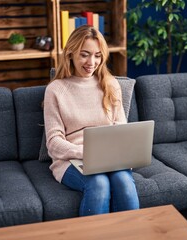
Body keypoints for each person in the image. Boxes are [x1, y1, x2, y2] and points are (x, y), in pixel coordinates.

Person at [43, 25, 139, 216]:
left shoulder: (111, 84)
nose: (92, 62)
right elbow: (53, 143)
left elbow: (120, 128)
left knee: (124, 183)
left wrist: (118, 153)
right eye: (84, 54)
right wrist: (85, 152)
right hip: (71, 160)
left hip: (109, 156)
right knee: (99, 183)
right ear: (70, 54)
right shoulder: (56, 90)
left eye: (97, 55)